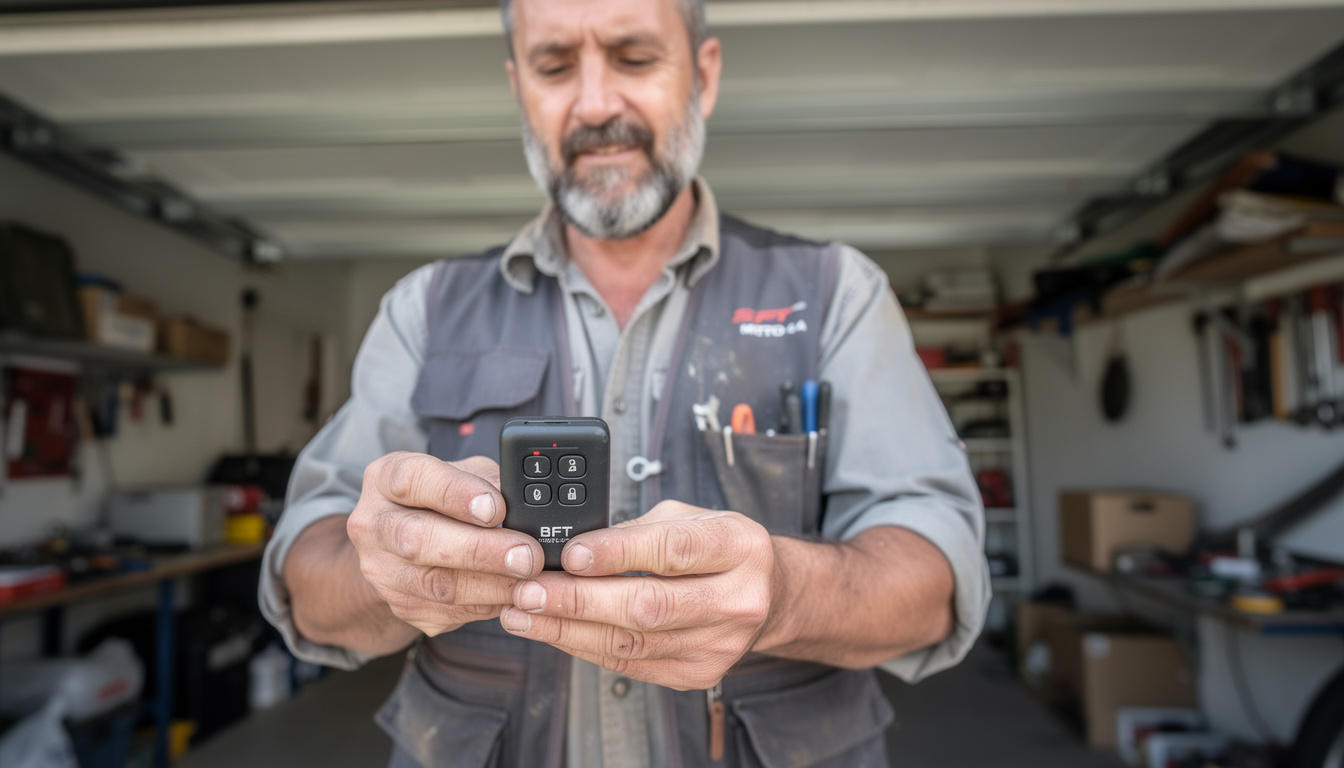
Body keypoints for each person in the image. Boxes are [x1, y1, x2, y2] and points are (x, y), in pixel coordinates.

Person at [259, 0, 991, 765]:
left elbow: (936, 586)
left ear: (702, 76)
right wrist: (388, 572)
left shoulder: (838, 293)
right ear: (519, 88)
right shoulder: (423, 311)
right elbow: (308, 583)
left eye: (634, 57)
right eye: (554, 66)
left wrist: (785, 594)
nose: (597, 103)